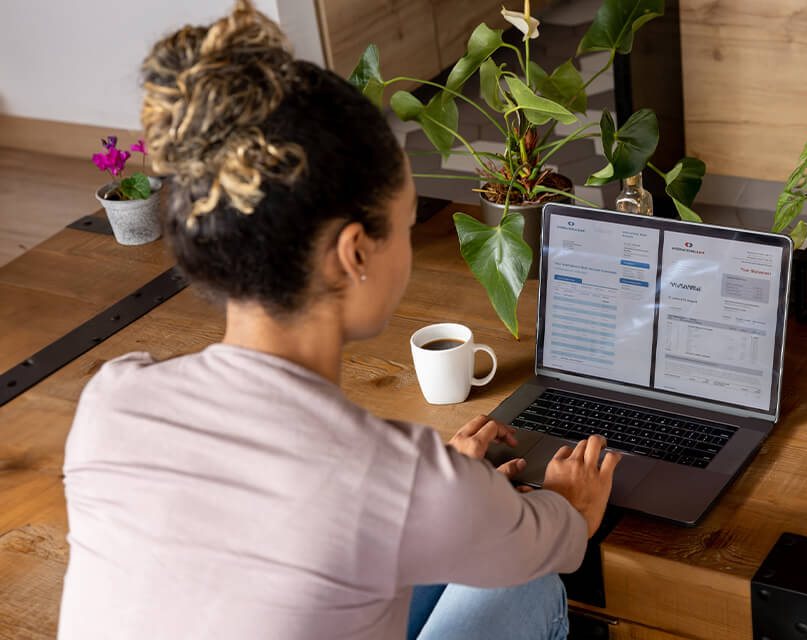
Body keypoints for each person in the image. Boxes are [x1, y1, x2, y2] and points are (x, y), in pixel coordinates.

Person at [58, 2, 621, 639]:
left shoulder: (112, 399)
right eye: (408, 224)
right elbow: (553, 542)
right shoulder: (394, 477)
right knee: (530, 581)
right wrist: (566, 507)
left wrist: (441, 491)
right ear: (356, 252)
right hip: (457, 509)